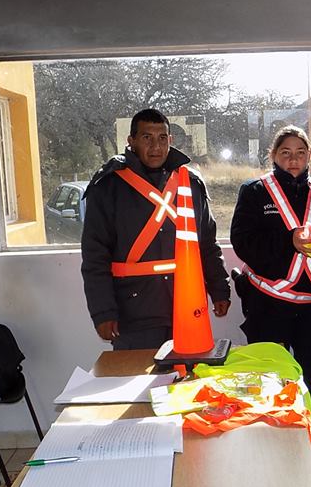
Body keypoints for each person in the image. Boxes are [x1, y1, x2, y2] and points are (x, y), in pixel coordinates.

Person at [230, 126, 311, 475]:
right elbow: (243, 243)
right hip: (268, 305)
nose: (293, 159)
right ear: (273, 155)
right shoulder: (255, 192)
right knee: (267, 378)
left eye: (301, 152)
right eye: (285, 152)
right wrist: (290, 241)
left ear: (309, 156)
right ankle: (268, 451)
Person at [81, 108, 230, 350]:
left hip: (187, 304)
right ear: (131, 141)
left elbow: (206, 244)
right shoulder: (108, 187)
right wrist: (103, 311)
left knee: (188, 372)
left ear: (170, 140)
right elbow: (95, 256)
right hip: (133, 312)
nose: (156, 147)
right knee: (137, 374)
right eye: (146, 137)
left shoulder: (190, 184)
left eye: (162, 138)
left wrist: (219, 288)